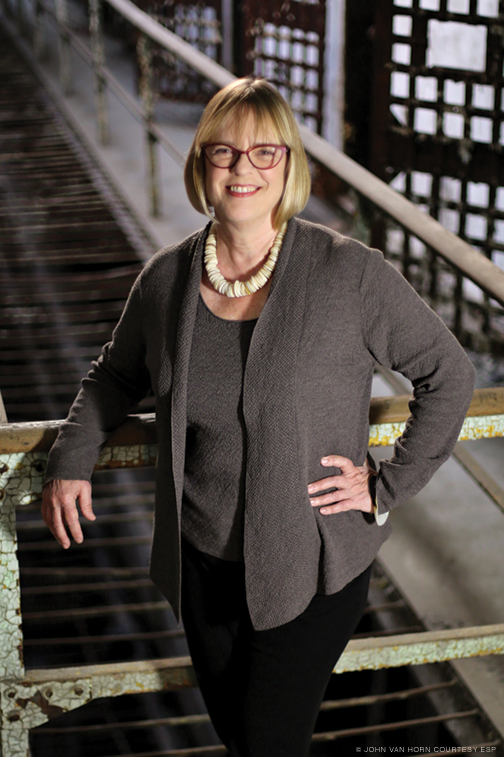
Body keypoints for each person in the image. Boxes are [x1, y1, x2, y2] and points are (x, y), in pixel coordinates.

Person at [42, 76, 475, 756]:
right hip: (202, 560)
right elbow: (116, 374)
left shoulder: (349, 275)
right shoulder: (166, 281)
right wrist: (71, 456)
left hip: (310, 561)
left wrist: (387, 484)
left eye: (264, 152)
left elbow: (449, 373)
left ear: (289, 166)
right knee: (242, 736)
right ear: (201, 166)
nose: (243, 168)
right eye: (223, 152)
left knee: (269, 741)